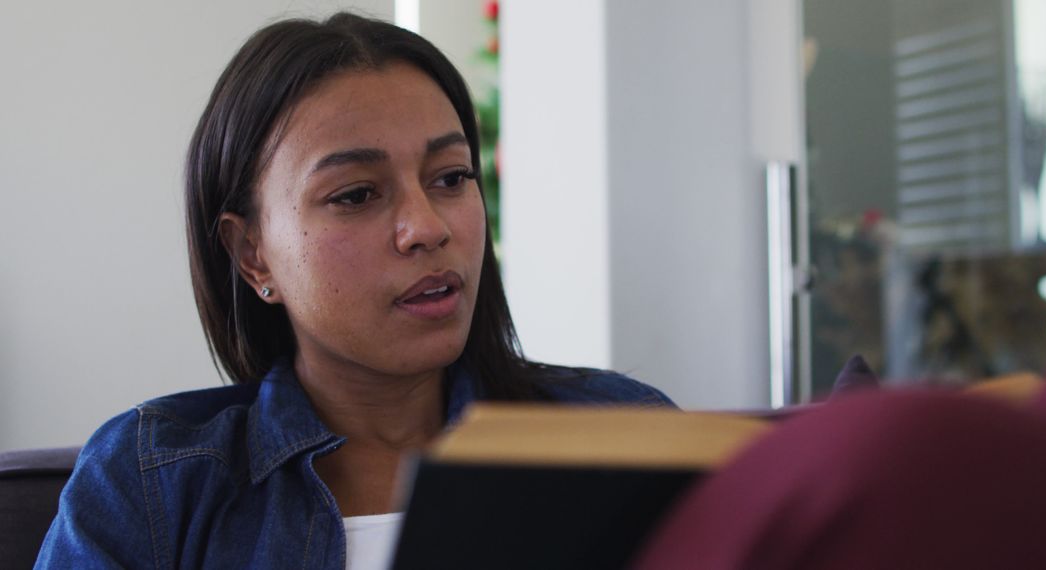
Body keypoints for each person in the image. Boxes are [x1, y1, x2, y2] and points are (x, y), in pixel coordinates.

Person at [35, 12, 672, 569]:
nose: (428, 227)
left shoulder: (622, 436)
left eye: (451, 177)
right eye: (357, 194)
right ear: (252, 255)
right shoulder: (151, 480)